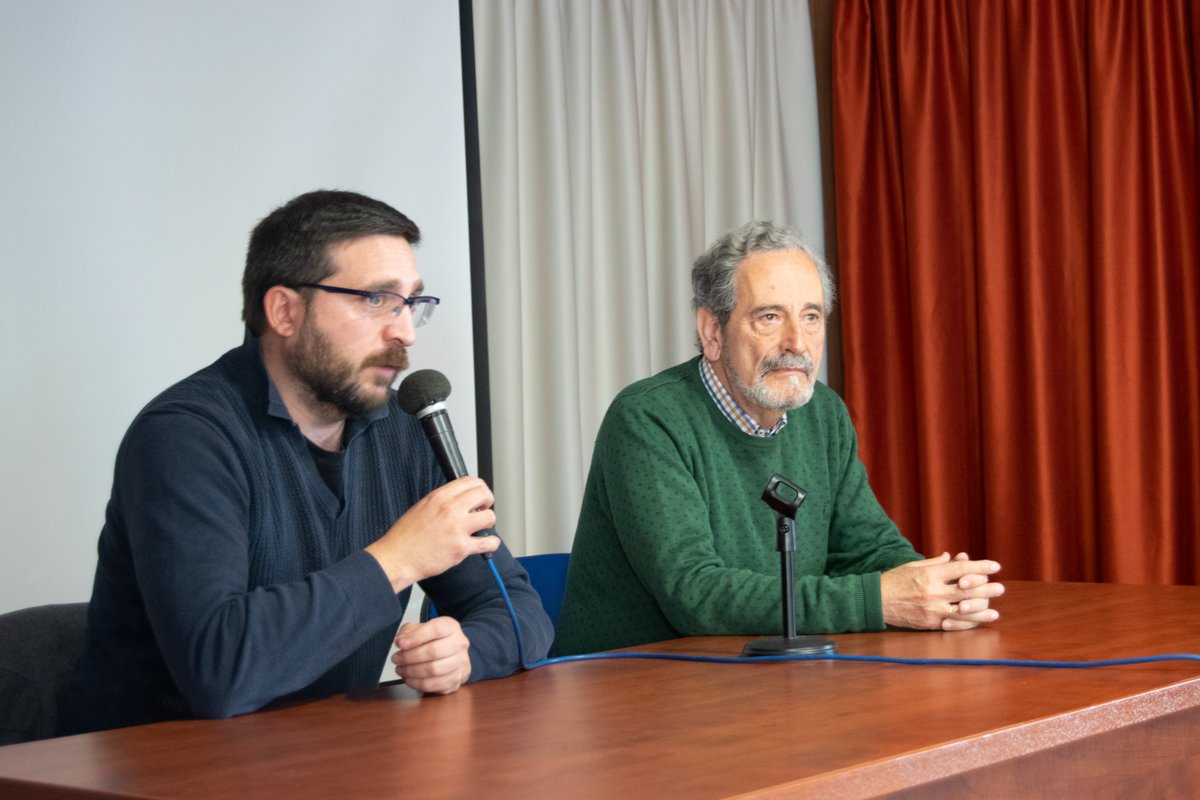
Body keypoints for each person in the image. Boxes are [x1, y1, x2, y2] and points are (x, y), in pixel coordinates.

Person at [61, 190, 553, 734]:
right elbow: (219, 671)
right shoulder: (184, 437)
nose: (405, 331)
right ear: (284, 311)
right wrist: (398, 559)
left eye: (411, 302)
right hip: (156, 770)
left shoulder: (401, 431)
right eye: (376, 300)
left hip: (327, 757)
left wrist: (467, 652)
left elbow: (519, 612)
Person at [553, 220, 1003, 655]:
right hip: (635, 691)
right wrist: (879, 600)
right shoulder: (647, 419)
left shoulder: (822, 412)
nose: (797, 343)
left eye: (811, 317)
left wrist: (940, 591)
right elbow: (696, 595)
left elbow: (868, 549)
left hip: (768, 679)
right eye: (770, 317)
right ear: (712, 332)